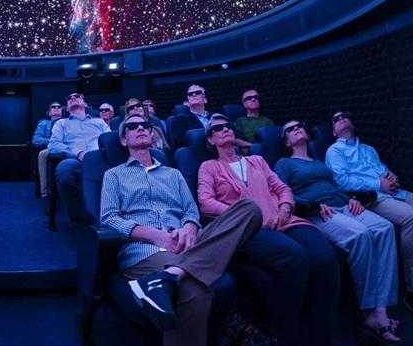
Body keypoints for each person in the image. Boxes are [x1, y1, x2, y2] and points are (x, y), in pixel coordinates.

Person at [101, 114, 262, 346]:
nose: (140, 128)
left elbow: (190, 211)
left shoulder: (173, 174)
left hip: (187, 243)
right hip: (145, 250)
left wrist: (188, 228)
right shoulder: (113, 175)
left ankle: (168, 277)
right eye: (132, 126)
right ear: (124, 140)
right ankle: (175, 276)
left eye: (145, 125)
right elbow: (108, 218)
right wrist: (156, 235)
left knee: (249, 209)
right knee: (194, 289)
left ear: (152, 134)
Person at [198, 114, 339, 346]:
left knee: (325, 258)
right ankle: (286, 335)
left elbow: (282, 188)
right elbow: (205, 201)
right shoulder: (209, 167)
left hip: (283, 219)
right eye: (219, 128)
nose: (226, 129)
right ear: (211, 140)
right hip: (246, 229)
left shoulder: (257, 161)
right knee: (295, 257)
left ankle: (321, 335)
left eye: (229, 126)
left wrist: (285, 208)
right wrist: (245, 217)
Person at [275, 120, 401, 343]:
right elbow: (282, 192)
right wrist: (310, 205)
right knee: (360, 235)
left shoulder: (320, 163)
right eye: (290, 129)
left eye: (299, 126)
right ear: (286, 141)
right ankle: (367, 310)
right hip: (321, 211)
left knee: (384, 228)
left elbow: (336, 188)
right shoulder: (284, 163)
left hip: (343, 205)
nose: (296, 129)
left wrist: (351, 199)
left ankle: (381, 308)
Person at [326, 110, 413, 311]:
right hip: (372, 198)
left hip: (394, 192)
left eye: (345, 116)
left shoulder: (368, 149)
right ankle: (411, 290)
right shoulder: (334, 151)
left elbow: (384, 169)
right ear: (333, 132)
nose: (342, 119)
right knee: (411, 217)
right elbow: (341, 181)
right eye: (336, 119)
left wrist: (392, 179)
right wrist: (378, 184)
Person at [48, 93, 110, 222]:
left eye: (77, 96)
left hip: (99, 160)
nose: (72, 98)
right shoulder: (61, 123)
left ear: (85, 104)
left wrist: (99, 155)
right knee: (64, 168)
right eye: (69, 98)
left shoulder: (99, 122)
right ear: (67, 107)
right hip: (76, 161)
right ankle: (78, 215)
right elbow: (53, 145)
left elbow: (109, 141)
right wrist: (78, 153)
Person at [32, 102, 63, 199]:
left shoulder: (66, 122)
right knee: (42, 154)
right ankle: (45, 191)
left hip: (65, 147)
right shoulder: (43, 123)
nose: (57, 108)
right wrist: (54, 141)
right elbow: (36, 140)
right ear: (49, 113)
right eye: (53, 107)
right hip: (50, 148)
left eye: (59, 107)